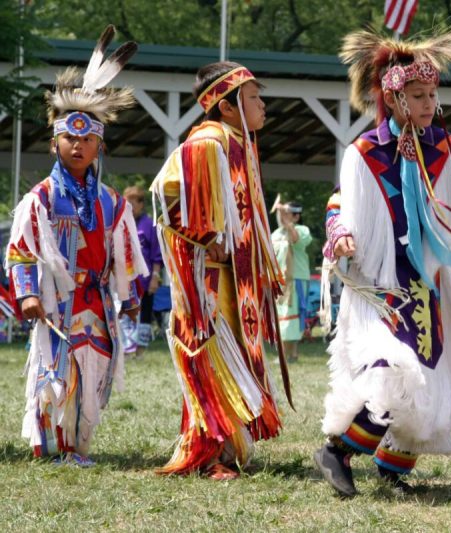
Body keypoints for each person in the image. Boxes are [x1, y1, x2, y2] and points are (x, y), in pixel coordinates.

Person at [314, 30, 451, 497]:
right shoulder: (364, 154)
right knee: (394, 369)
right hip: (382, 281)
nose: (429, 103)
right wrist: (342, 234)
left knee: (431, 373)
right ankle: (339, 451)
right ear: (393, 97)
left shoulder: (448, 148)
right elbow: (343, 206)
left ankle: (393, 470)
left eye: (433, 94)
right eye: (418, 95)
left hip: (429, 281)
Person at [6, 26, 146, 465]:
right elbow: (22, 250)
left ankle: (78, 445)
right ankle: (51, 446)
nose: (79, 146)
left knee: (94, 370)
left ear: (99, 145)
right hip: (58, 301)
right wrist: (28, 292)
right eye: (71, 138)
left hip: (97, 302)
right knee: (56, 371)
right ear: (55, 143)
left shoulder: (112, 202)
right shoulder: (41, 199)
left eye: (88, 140)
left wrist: (133, 296)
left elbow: (126, 257)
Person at [151, 61, 291, 480]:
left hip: (234, 279)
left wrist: (261, 266)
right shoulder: (207, 143)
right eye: (253, 98)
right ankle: (206, 454)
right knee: (210, 359)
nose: (262, 105)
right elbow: (164, 196)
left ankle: (226, 448)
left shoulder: (237, 144)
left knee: (230, 361)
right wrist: (202, 237)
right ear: (227, 107)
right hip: (208, 279)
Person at [120, 185, 163, 357]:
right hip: (125, 279)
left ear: (141, 204)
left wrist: (155, 277)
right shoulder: (122, 224)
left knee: (144, 314)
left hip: (145, 280)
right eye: (126, 204)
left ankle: (140, 350)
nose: (129, 208)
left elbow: (156, 255)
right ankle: (126, 348)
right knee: (123, 312)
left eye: (132, 204)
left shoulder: (150, 225)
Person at [272, 200, 313, 362]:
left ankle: (289, 354)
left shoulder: (302, 230)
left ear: (296, 216)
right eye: (282, 213)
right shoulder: (275, 234)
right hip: (280, 280)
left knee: (293, 316)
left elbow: (295, 240)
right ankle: (286, 354)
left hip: (296, 279)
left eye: (287, 213)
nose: (282, 216)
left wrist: (289, 224)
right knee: (281, 316)